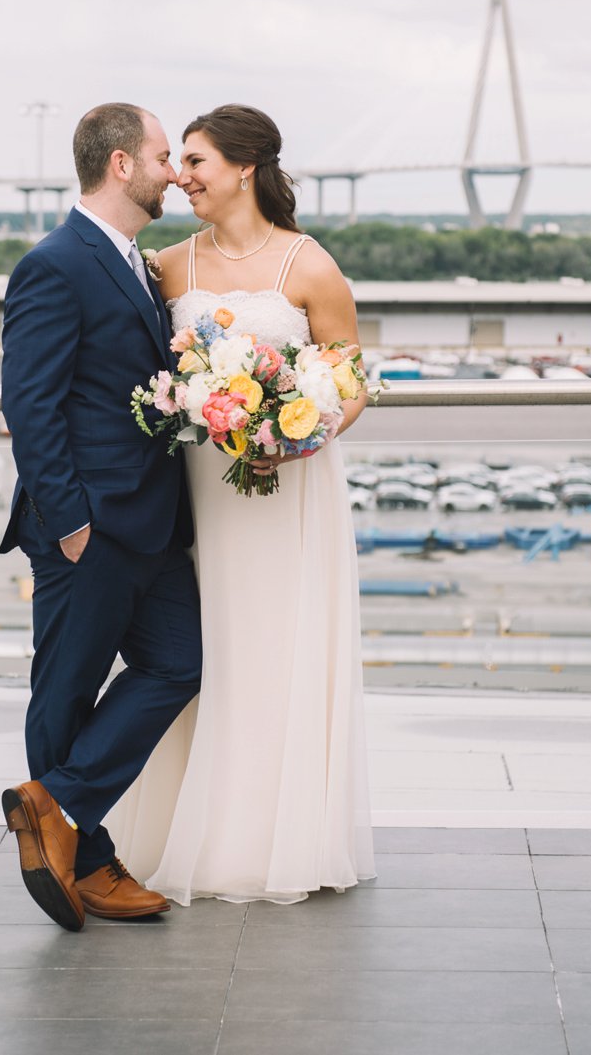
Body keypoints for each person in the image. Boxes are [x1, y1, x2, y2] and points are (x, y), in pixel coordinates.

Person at [107, 103, 375, 904]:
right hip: (201, 494)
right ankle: (192, 828)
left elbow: (352, 376)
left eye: (195, 162)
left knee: (279, 647)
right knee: (211, 651)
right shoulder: (170, 266)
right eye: (178, 162)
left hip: (291, 492)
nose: (179, 176)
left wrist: (293, 435)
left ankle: (276, 836)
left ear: (244, 168)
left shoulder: (308, 265)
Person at [0, 102, 202, 931]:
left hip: (151, 522)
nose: (173, 172)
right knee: (66, 691)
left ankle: (55, 807)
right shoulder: (55, 263)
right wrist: (71, 520)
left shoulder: (136, 263)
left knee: (180, 664)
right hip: (88, 525)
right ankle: (85, 859)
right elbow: (30, 402)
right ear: (121, 165)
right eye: (162, 156)